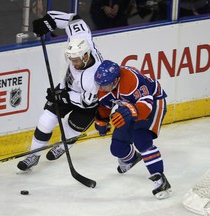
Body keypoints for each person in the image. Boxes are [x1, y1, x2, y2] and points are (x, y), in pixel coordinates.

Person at [17, 10, 103, 171]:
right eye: (70, 58)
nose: (72, 62)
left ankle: (64, 146)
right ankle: (33, 155)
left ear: (85, 57)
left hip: (88, 104)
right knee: (45, 121)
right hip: (68, 89)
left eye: (75, 60)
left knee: (71, 130)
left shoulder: (93, 77)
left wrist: (64, 96)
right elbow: (73, 19)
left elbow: (87, 101)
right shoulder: (81, 39)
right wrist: (48, 22)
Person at [94, 60, 171, 199]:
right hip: (130, 107)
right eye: (101, 85)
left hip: (153, 102)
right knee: (117, 147)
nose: (103, 88)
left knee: (141, 140)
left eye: (106, 85)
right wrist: (102, 120)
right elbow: (105, 106)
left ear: (116, 79)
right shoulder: (104, 88)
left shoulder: (131, 80)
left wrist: (129, 111)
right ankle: (132, 159)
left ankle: (160, 179)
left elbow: (146, 107)